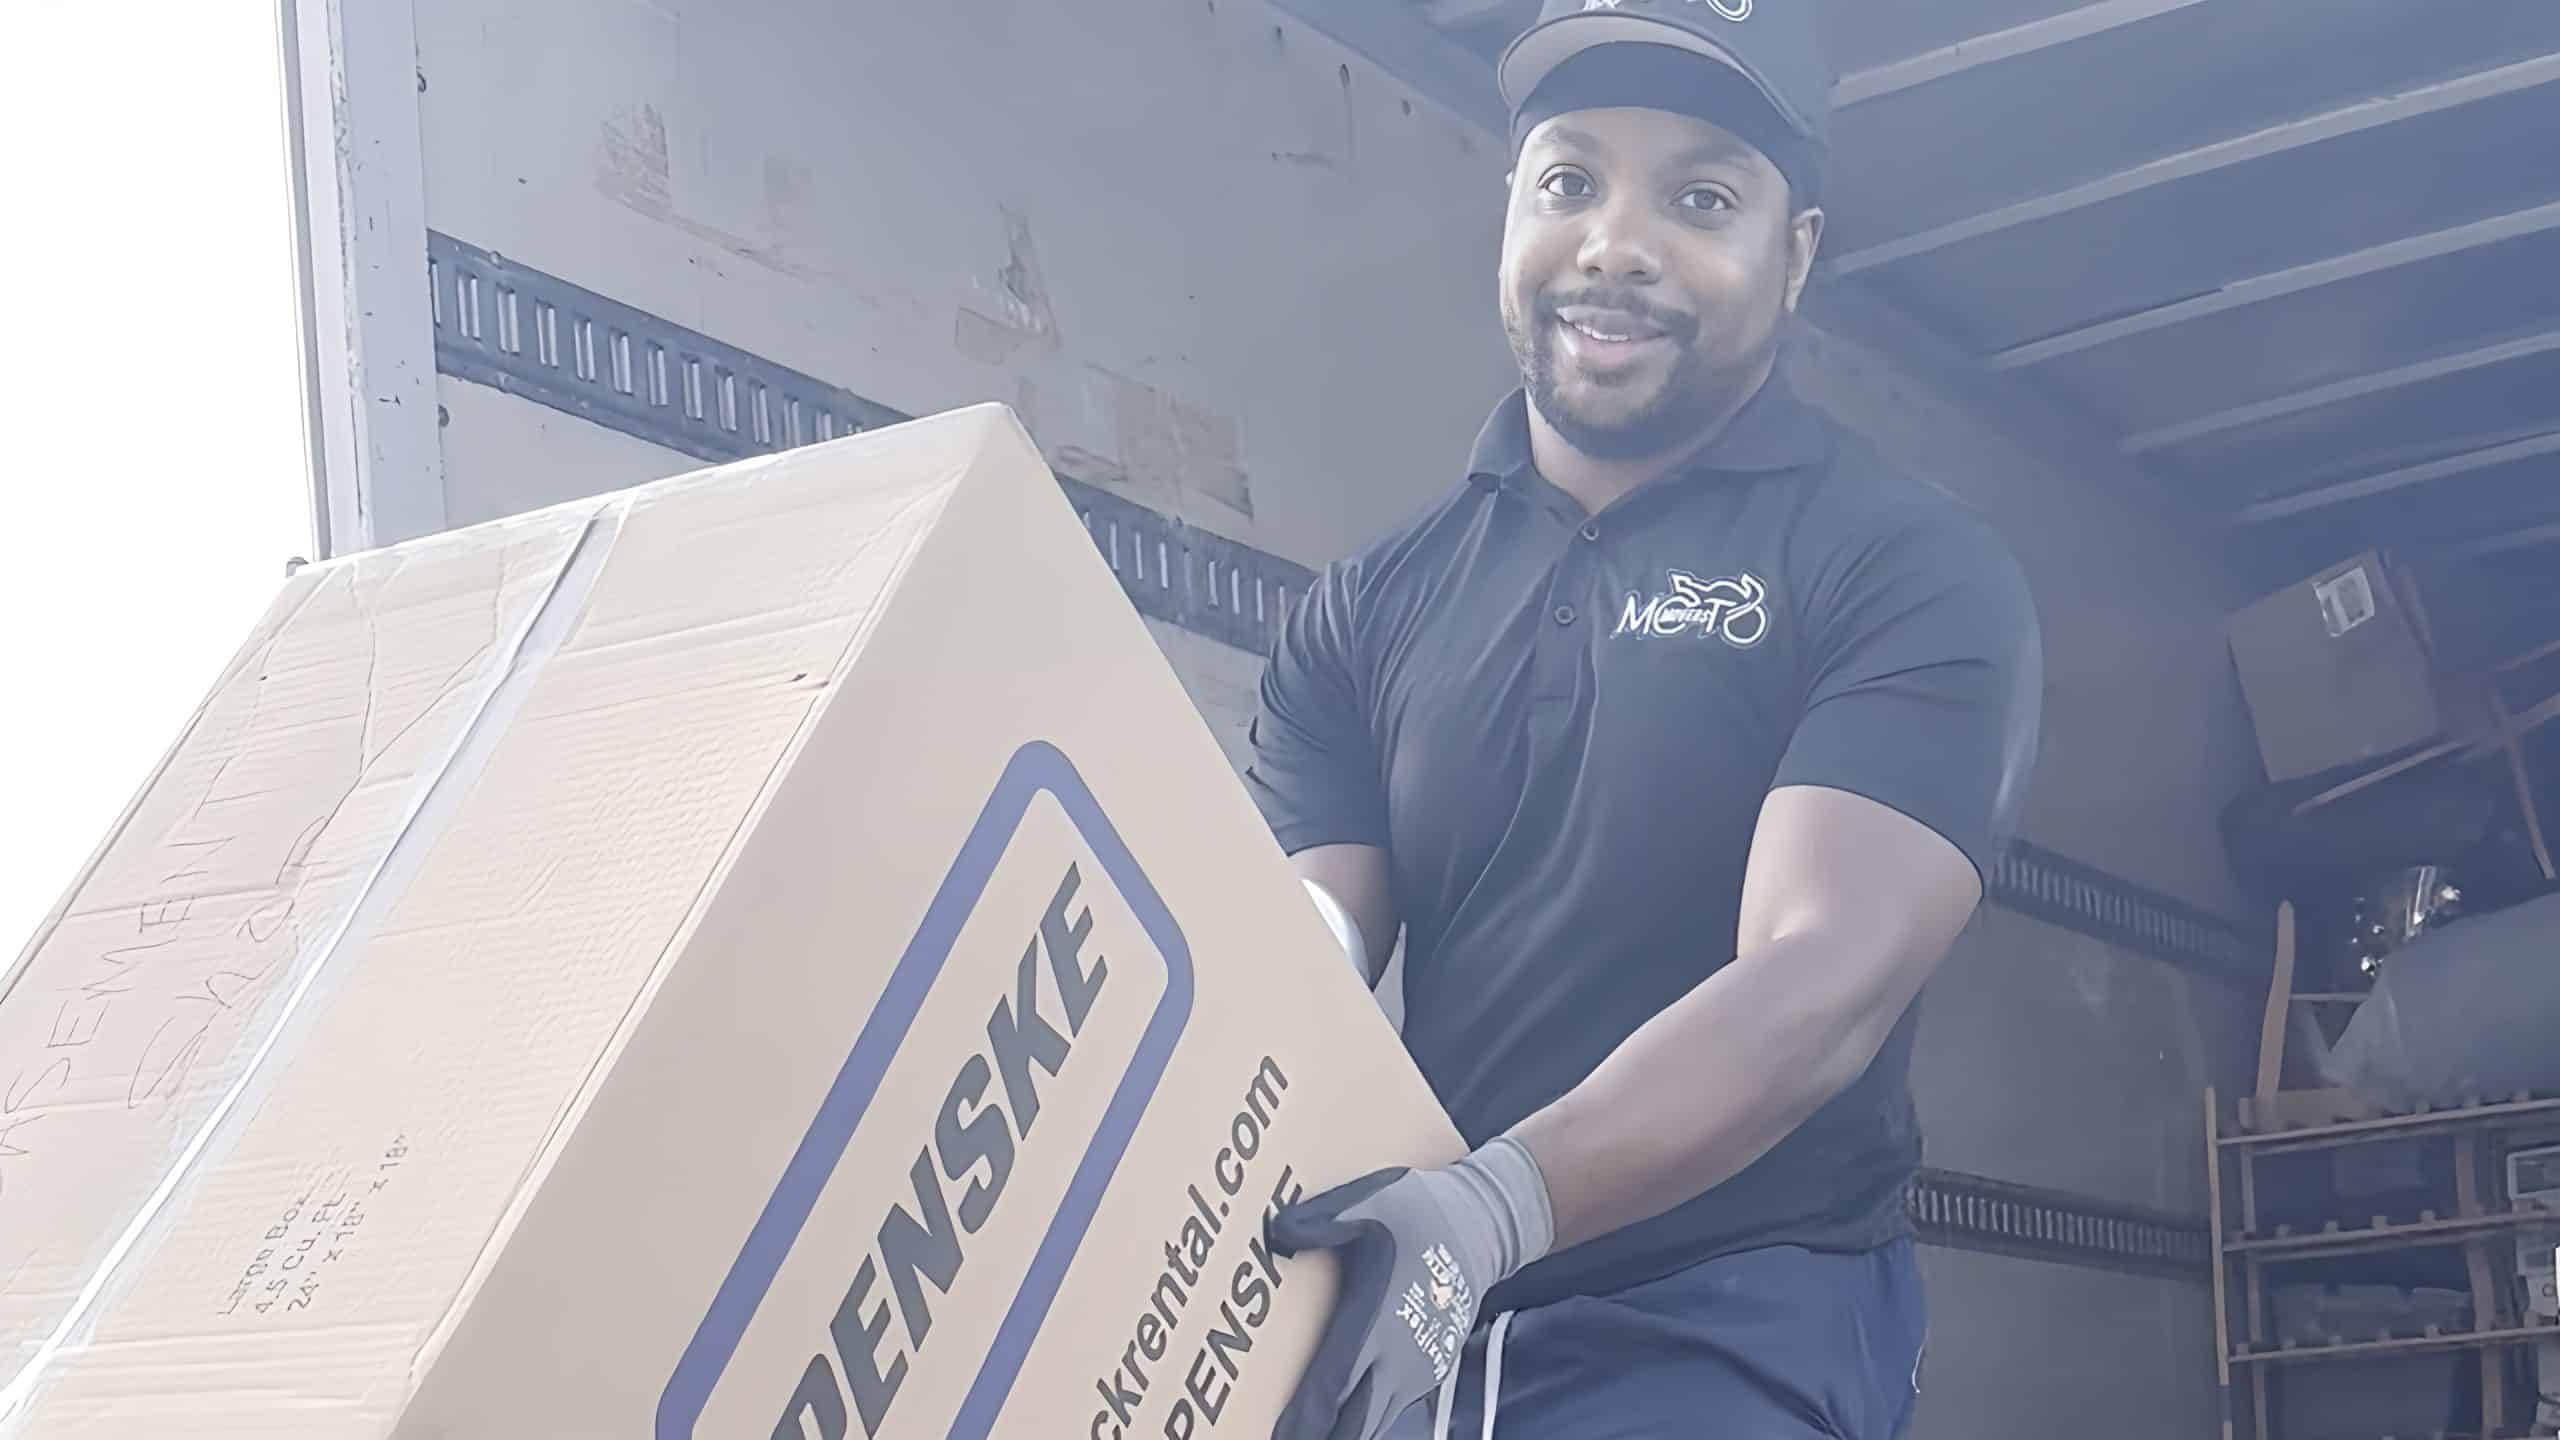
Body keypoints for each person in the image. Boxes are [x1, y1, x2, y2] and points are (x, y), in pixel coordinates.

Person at [1242, 2, 2045, 1435]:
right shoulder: (1367, 609)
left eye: (1701, 197)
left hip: (1731, 1321)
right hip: (1425, 1303)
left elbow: (1819, 983)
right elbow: (1316, 943)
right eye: (1569, 180)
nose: (1615, 242)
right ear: (1509, 209)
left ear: (1792, 253)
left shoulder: (1902, 569)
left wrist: (1497, 1205)